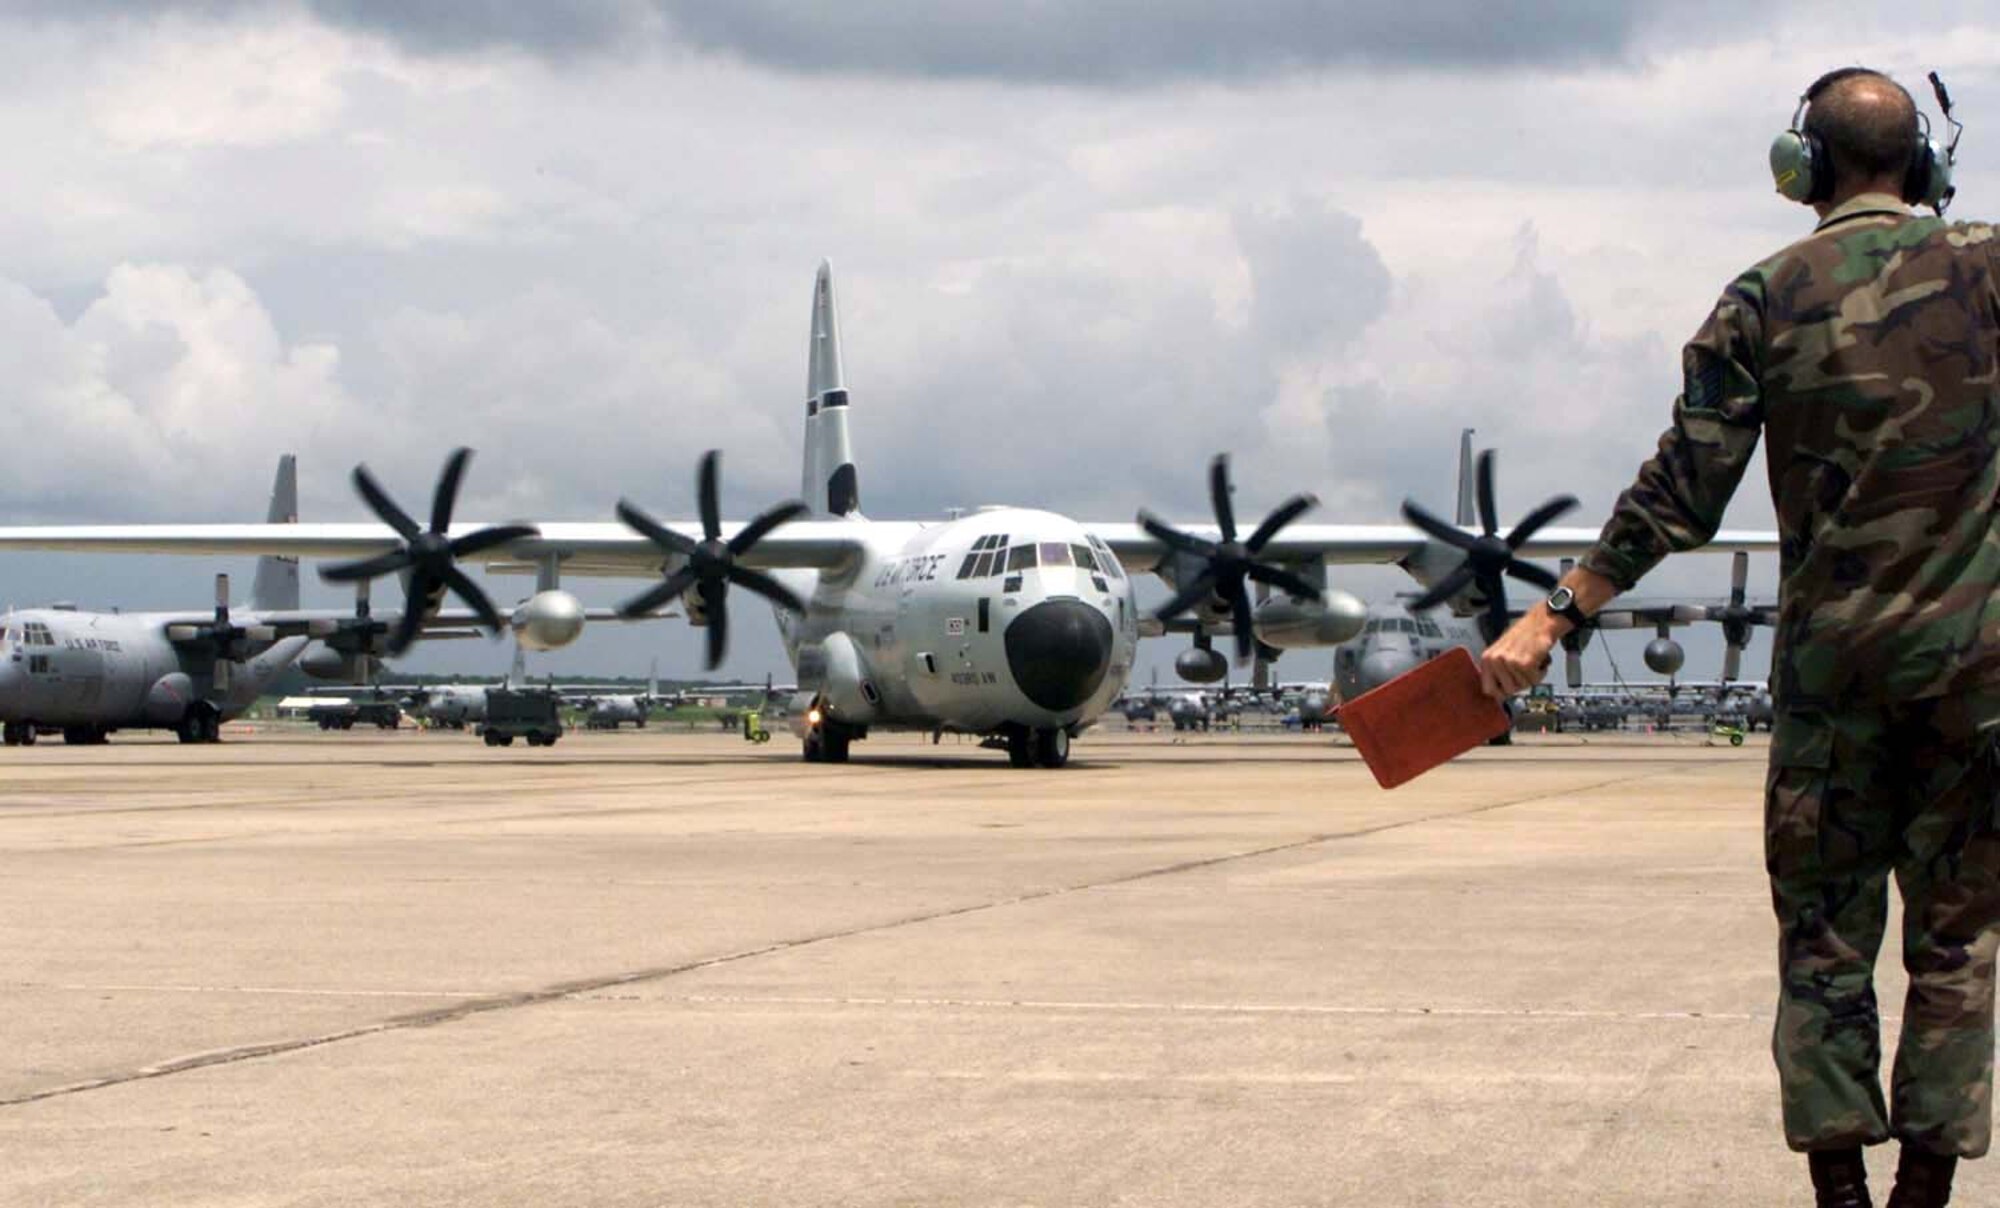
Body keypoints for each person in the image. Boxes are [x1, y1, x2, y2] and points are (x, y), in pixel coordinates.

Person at [1479, 67, 1999, 1208]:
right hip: (1975, 688)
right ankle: (1922, 1191)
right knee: (1955, 944)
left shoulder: (1761, 296)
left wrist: (1551, 610)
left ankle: (1840, 1197)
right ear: (1918, 164)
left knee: (1822, 938)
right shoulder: (1986, 266)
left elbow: (1679, 489)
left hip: (1831, 686)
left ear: (1798, 168)